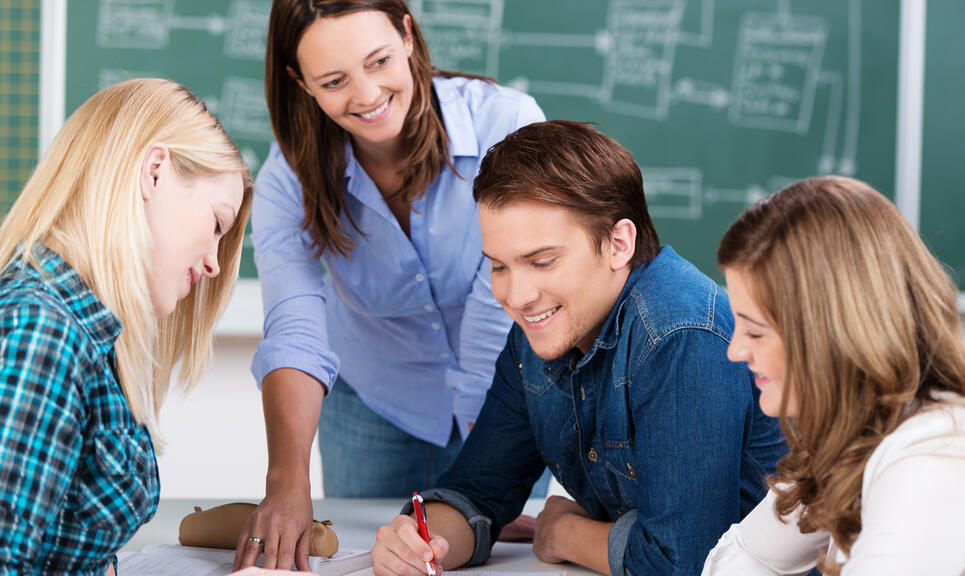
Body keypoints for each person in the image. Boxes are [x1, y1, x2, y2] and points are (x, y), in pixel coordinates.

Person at [371, 120, 788, 576]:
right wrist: (421, 541)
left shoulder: (680, 334)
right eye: (498, 267)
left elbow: (683, 562)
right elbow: (478, 491)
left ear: (618, 244)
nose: (518, 295)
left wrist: (564, 534)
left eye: (543, 261)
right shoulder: (541, 327)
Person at [236, 0, 547, 570]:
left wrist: (489, 475)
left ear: (407, 34)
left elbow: (502, 302)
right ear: (299, 83)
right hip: (374, 407)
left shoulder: (506, 121)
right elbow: (295, 323)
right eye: (333, 80)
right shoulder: (288, 180)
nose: (366, 94)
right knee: (360, 558)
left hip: (505, 398)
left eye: (378, 61)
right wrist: (286, 483)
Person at [702, 175, 965, 575]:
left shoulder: (945, 446)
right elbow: (748, 556)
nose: (735, 350)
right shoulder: (857, 425)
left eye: (755, 331)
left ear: (830, 333)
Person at [0, 79, 251, 574]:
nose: (214, 263)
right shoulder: (43, 331)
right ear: (154, 172)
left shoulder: (85, 330)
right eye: (217, 225)